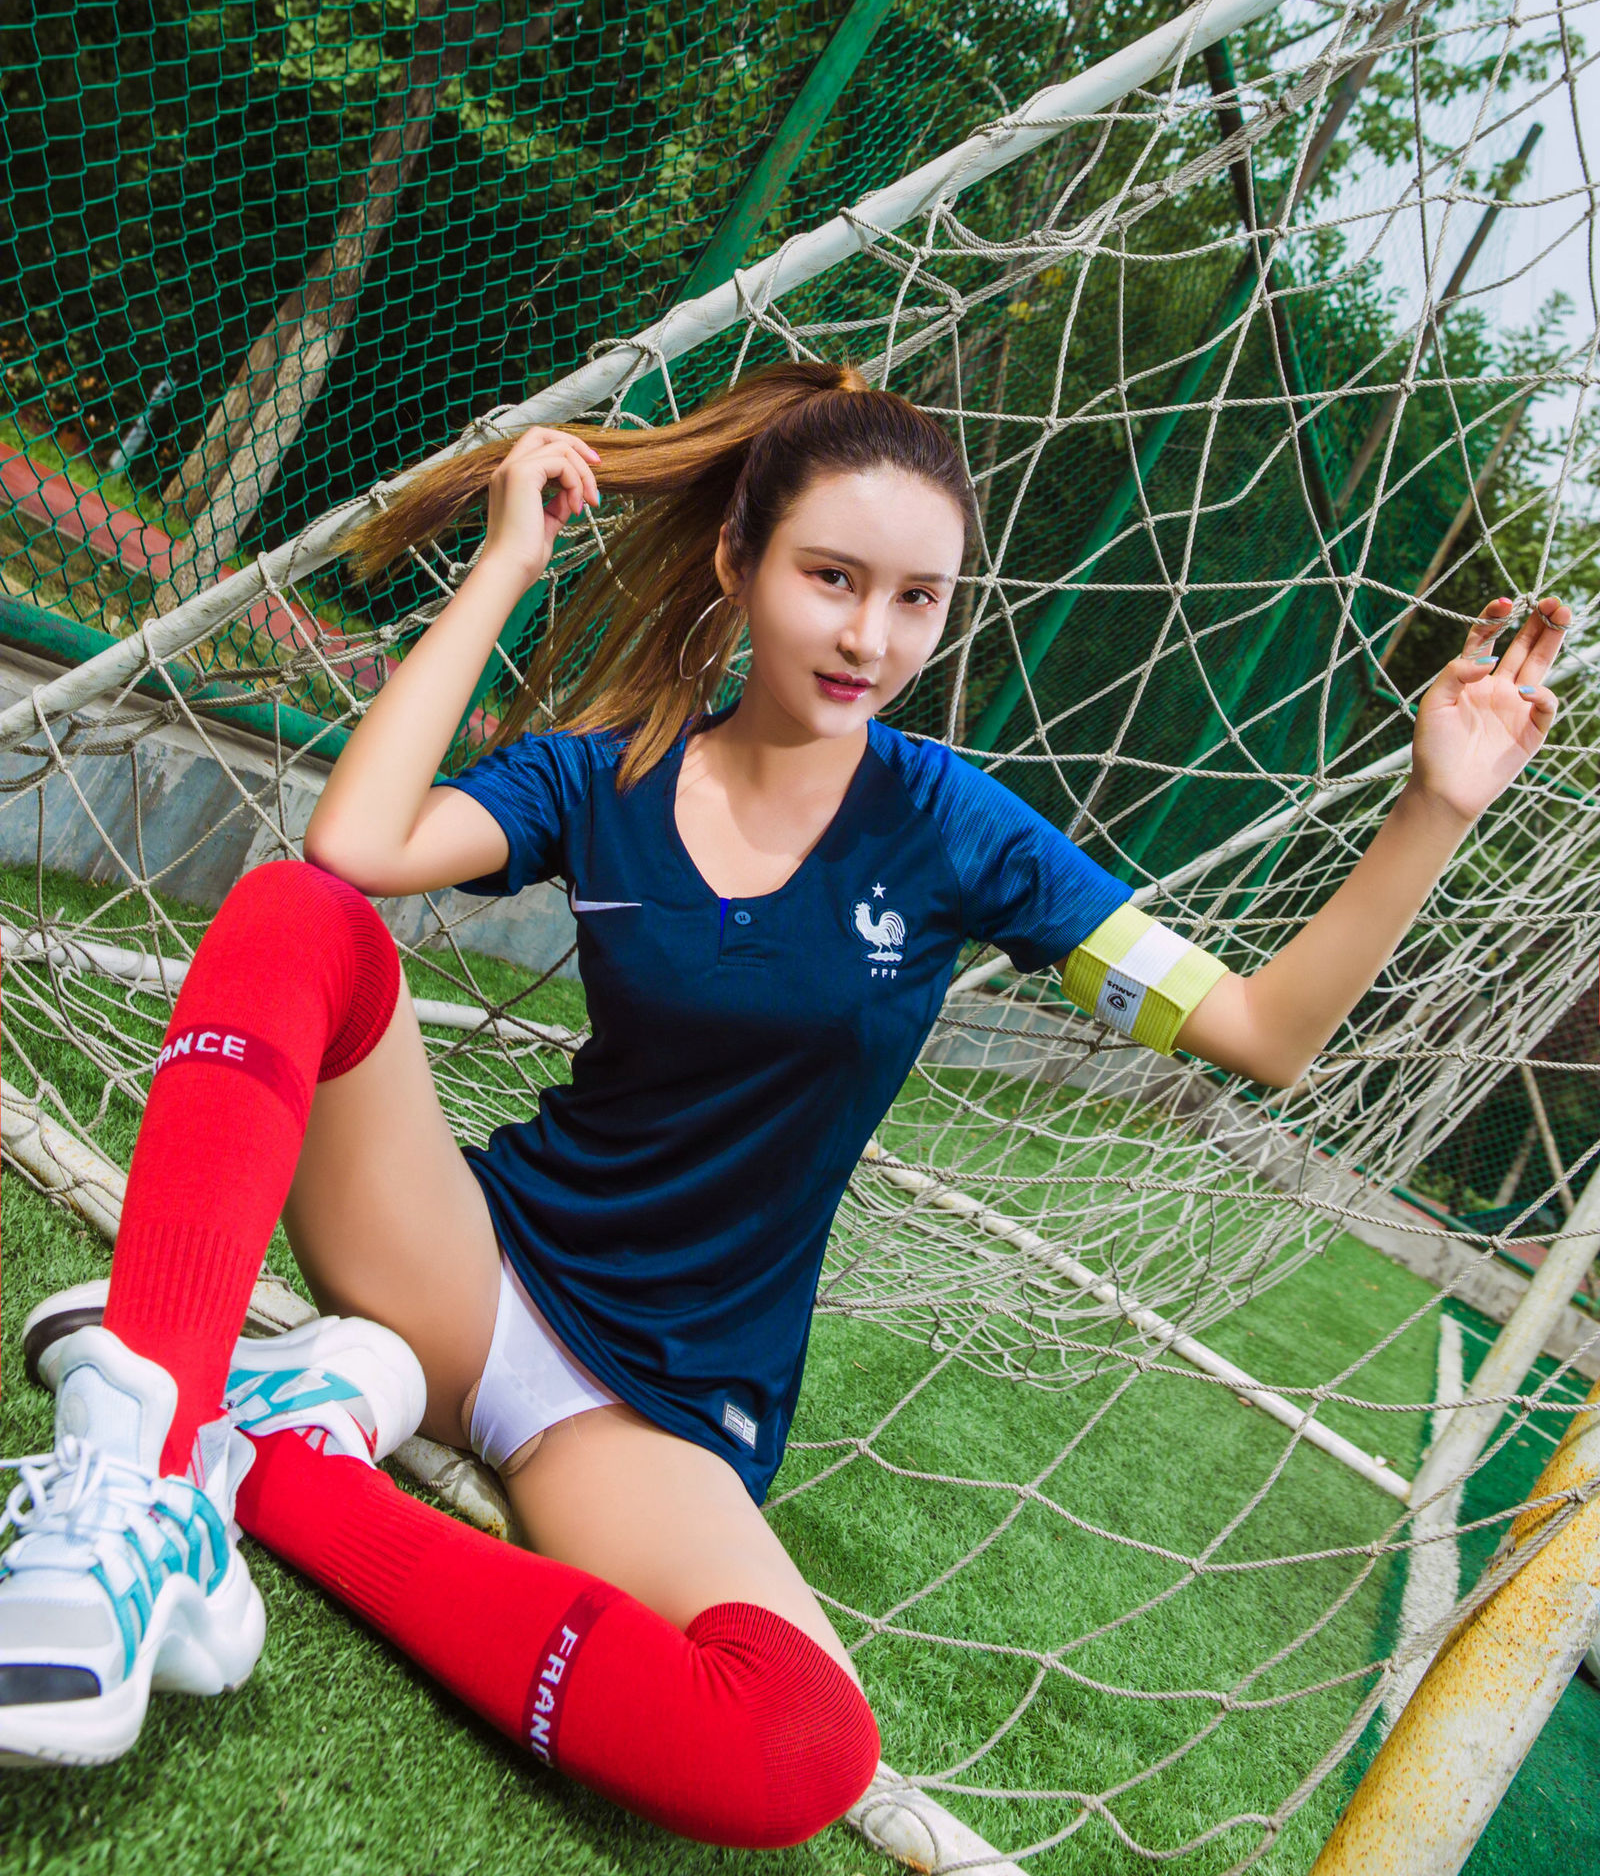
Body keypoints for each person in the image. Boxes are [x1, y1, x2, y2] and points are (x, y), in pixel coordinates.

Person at [0, 361, 1568, 1840]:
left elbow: (1262, 1032)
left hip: (655, 1409)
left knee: (789, 1744)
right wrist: (503, 568)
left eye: (917, 599)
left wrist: (1435, 806)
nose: (870, 636)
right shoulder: (609, 774)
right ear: (739, 560)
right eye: (832, 577)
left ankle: (271, 1467)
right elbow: (357, 850)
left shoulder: (958, 832)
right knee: (301, 914)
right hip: (461, 1269)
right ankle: (133, 1487)